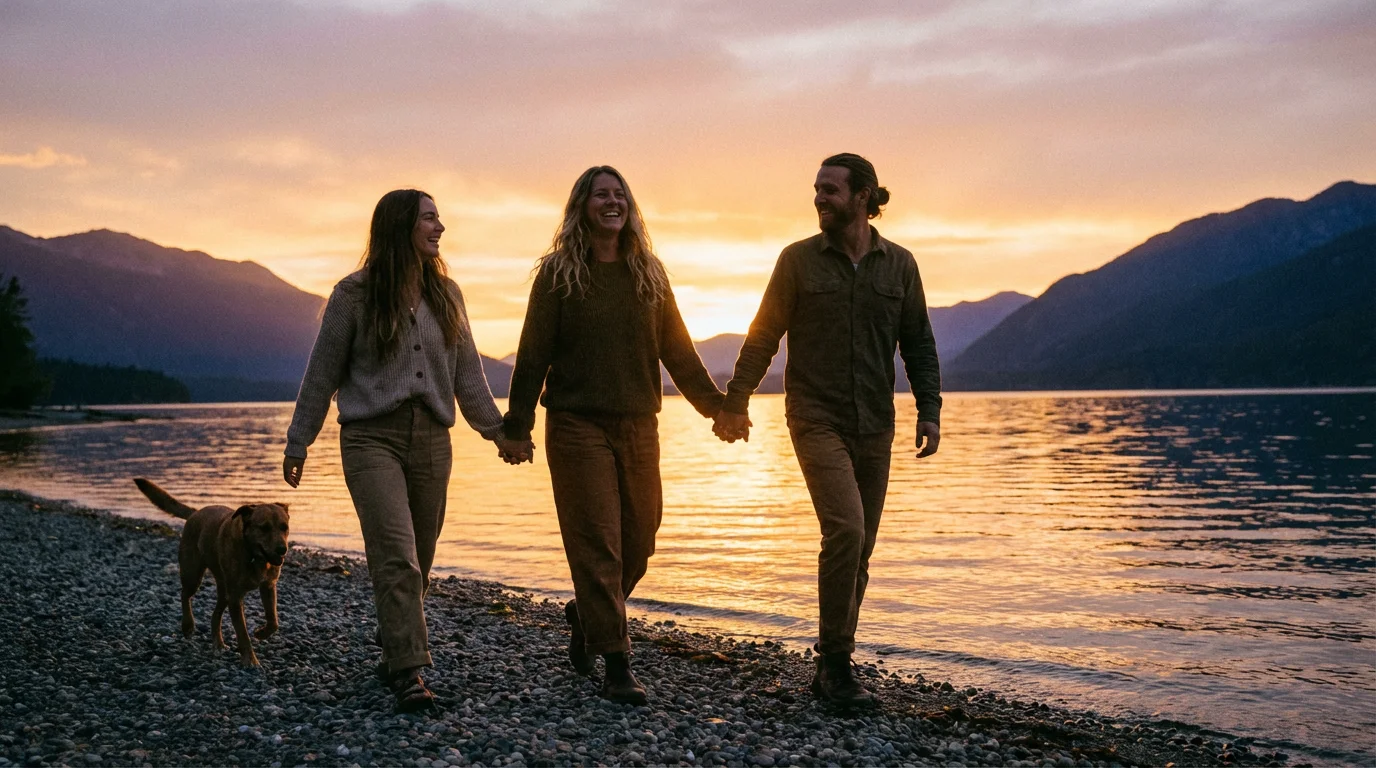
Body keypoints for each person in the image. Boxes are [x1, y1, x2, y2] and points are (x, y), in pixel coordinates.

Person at [282, 189, 533, 713]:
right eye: (429, 218)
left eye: (439, 217)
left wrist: (500, 433)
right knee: (396, 555)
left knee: (421, 556)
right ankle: (409, 670)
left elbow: (469, 377)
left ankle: (396, 642)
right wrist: (298, 439)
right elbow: (321, 373)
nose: (440, 227)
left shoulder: (448, 295)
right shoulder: (353, 294)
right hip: (371, 438)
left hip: (433, 442)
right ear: (400, 227)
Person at [714, 153, 942, 707]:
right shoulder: (797, 262)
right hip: (815, 417)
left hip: (876, 423)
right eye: (816, 189)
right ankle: (835, 666)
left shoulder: (901, 266)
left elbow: (917, 342)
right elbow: (764, 334)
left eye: (831, 190)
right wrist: (736, 402)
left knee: (860, 546)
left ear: (863, 196)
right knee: (845, 529)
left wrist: (929, 410)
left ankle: (835, 660)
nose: (819, 198)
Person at [503, 166, 725, 705]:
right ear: (581, 206)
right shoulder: (558, 274)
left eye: (619, 193)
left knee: (641, 540)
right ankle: (618, 663)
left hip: (638, 423)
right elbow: (533, 353)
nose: (612, 201)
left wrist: (718, 409)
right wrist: (517, 427)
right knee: (598, 543)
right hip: (577, 425)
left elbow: (677, 351)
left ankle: (587, 613)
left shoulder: (648, 272)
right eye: (601, 194)